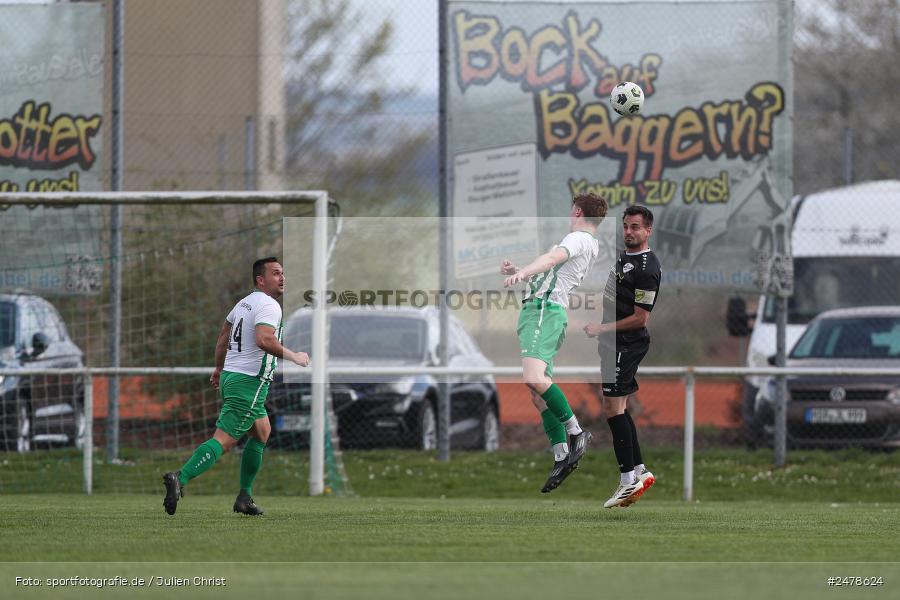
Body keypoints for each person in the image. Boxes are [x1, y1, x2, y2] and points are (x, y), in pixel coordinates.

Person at [162, 257, 310, 516]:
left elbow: (222, 338)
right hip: (249, 382)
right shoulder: (269, 305)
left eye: (283, 273)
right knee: (225, 440)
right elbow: (264, 340)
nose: (282, 277)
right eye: (276, 273)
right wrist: (294, 356)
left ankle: (245, 497)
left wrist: (219, 368)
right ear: (260, 280)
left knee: (262, 431)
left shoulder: (243, 304)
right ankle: (180, 478)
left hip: (232, 376)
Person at [501, 192, 607, 493]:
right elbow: (551, 274)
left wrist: (524, 270)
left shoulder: (578, 239)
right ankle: (562, 455)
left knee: (533, 378)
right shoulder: (587, 242)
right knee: (537, 391)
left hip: (544, 312)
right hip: (542, 309)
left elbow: (552, 258)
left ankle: (576, 432)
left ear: (577, 211)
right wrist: (519, 272)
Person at [584, 205, 660, 508]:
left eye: (636, 227)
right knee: (619, 407)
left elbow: (641, 318)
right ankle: (639, 470)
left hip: (624, 344)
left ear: (648, 230)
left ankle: (628, 480)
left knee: (613, 410)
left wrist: (603, 327)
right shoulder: (624, 256)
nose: (629, 232)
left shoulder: (647, 269)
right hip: (613, 342)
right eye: (626, 226)